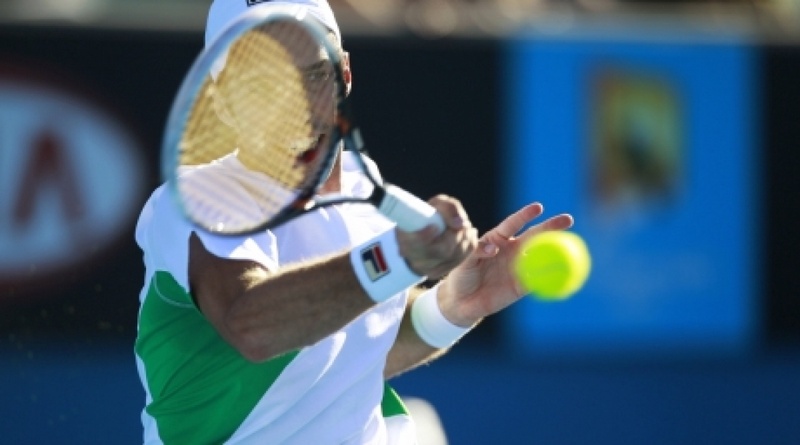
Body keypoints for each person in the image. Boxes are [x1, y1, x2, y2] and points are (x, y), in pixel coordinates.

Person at [133, 0, 574, 444]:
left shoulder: (378, 207)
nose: (298, 110)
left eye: (313, 76)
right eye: (264, 87)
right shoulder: (195, 200)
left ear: (344, 74)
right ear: (221, 101)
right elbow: (252, 325)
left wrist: (452, 309)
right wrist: (395, 258)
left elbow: (351, 353)